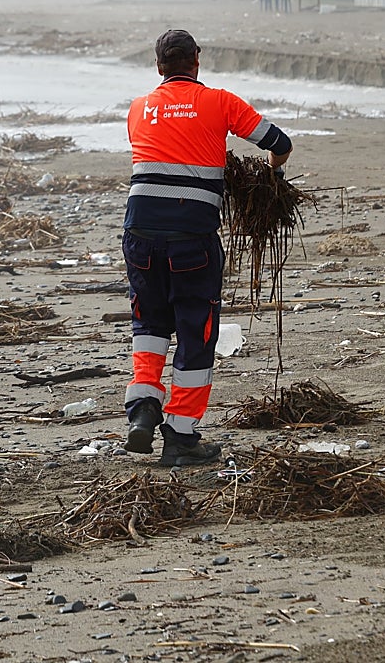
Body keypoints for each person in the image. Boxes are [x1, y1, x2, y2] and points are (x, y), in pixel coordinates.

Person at [122, 30, 293, 466]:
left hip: (139, 232)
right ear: (197, 60)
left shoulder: (139, 109)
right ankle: (180, 434)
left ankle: (143, 408)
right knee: (196, 333)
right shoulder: (220, 101)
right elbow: (279, 143)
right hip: (191, 239)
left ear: (158, 66)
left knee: (150, 321)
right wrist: (272, 178)